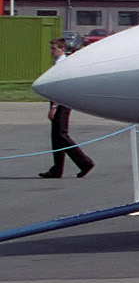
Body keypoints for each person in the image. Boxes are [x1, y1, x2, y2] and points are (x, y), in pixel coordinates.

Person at [39, 38, 94, 179]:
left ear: (62, 49)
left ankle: (85, 162)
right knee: (56, 137)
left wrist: (54, 107)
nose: (52, 51)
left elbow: (60, 87)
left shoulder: (62, 64)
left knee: (61, 135)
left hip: (61, 103)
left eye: (54, 48)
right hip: (59, 102)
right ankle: (57, 169)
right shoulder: (59, 63)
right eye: (51, 48)